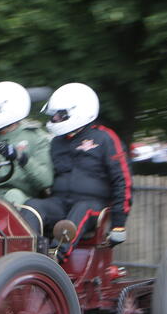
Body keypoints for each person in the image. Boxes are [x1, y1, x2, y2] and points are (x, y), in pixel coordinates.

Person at [21, 83, 131, 250]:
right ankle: (30, 253)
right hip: (60, 203)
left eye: (60, 115)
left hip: (94, 207)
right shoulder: (56, 142)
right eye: (55, 115)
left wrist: (118, 224)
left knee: (82, 209)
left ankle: (56, 257)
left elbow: (122, 180)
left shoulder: (105, 138)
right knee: (31, 206)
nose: (55, 119)